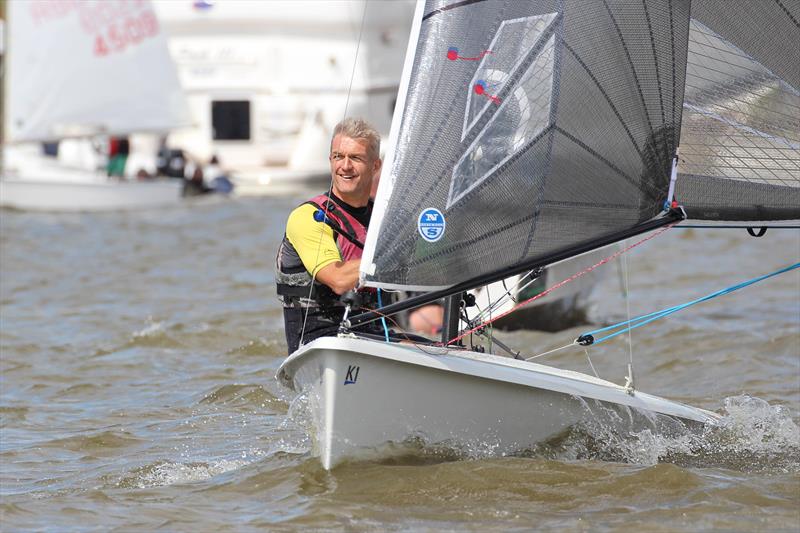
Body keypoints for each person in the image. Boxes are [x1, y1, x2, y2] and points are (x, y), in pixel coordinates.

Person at [276, 117, 382, 354]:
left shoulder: (383, 219)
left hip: (376, 339)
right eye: (338, 156)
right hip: (321, 345)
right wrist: (390, 252)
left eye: (355, 158)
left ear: (375, 166)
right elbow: (338, 280)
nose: (345, 166)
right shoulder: (308, 217)